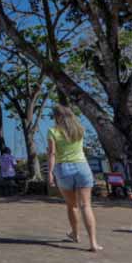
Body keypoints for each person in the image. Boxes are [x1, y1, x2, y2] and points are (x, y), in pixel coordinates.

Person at [47, 104, 102, 252]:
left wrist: (50, 173)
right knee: (86, 206)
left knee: (72, 205)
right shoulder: (80, 130)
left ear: (57, 117)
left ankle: (75, 234)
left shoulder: (53, 131)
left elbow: (52, 154)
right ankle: (93, 243)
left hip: (63, 169)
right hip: (82, 167)